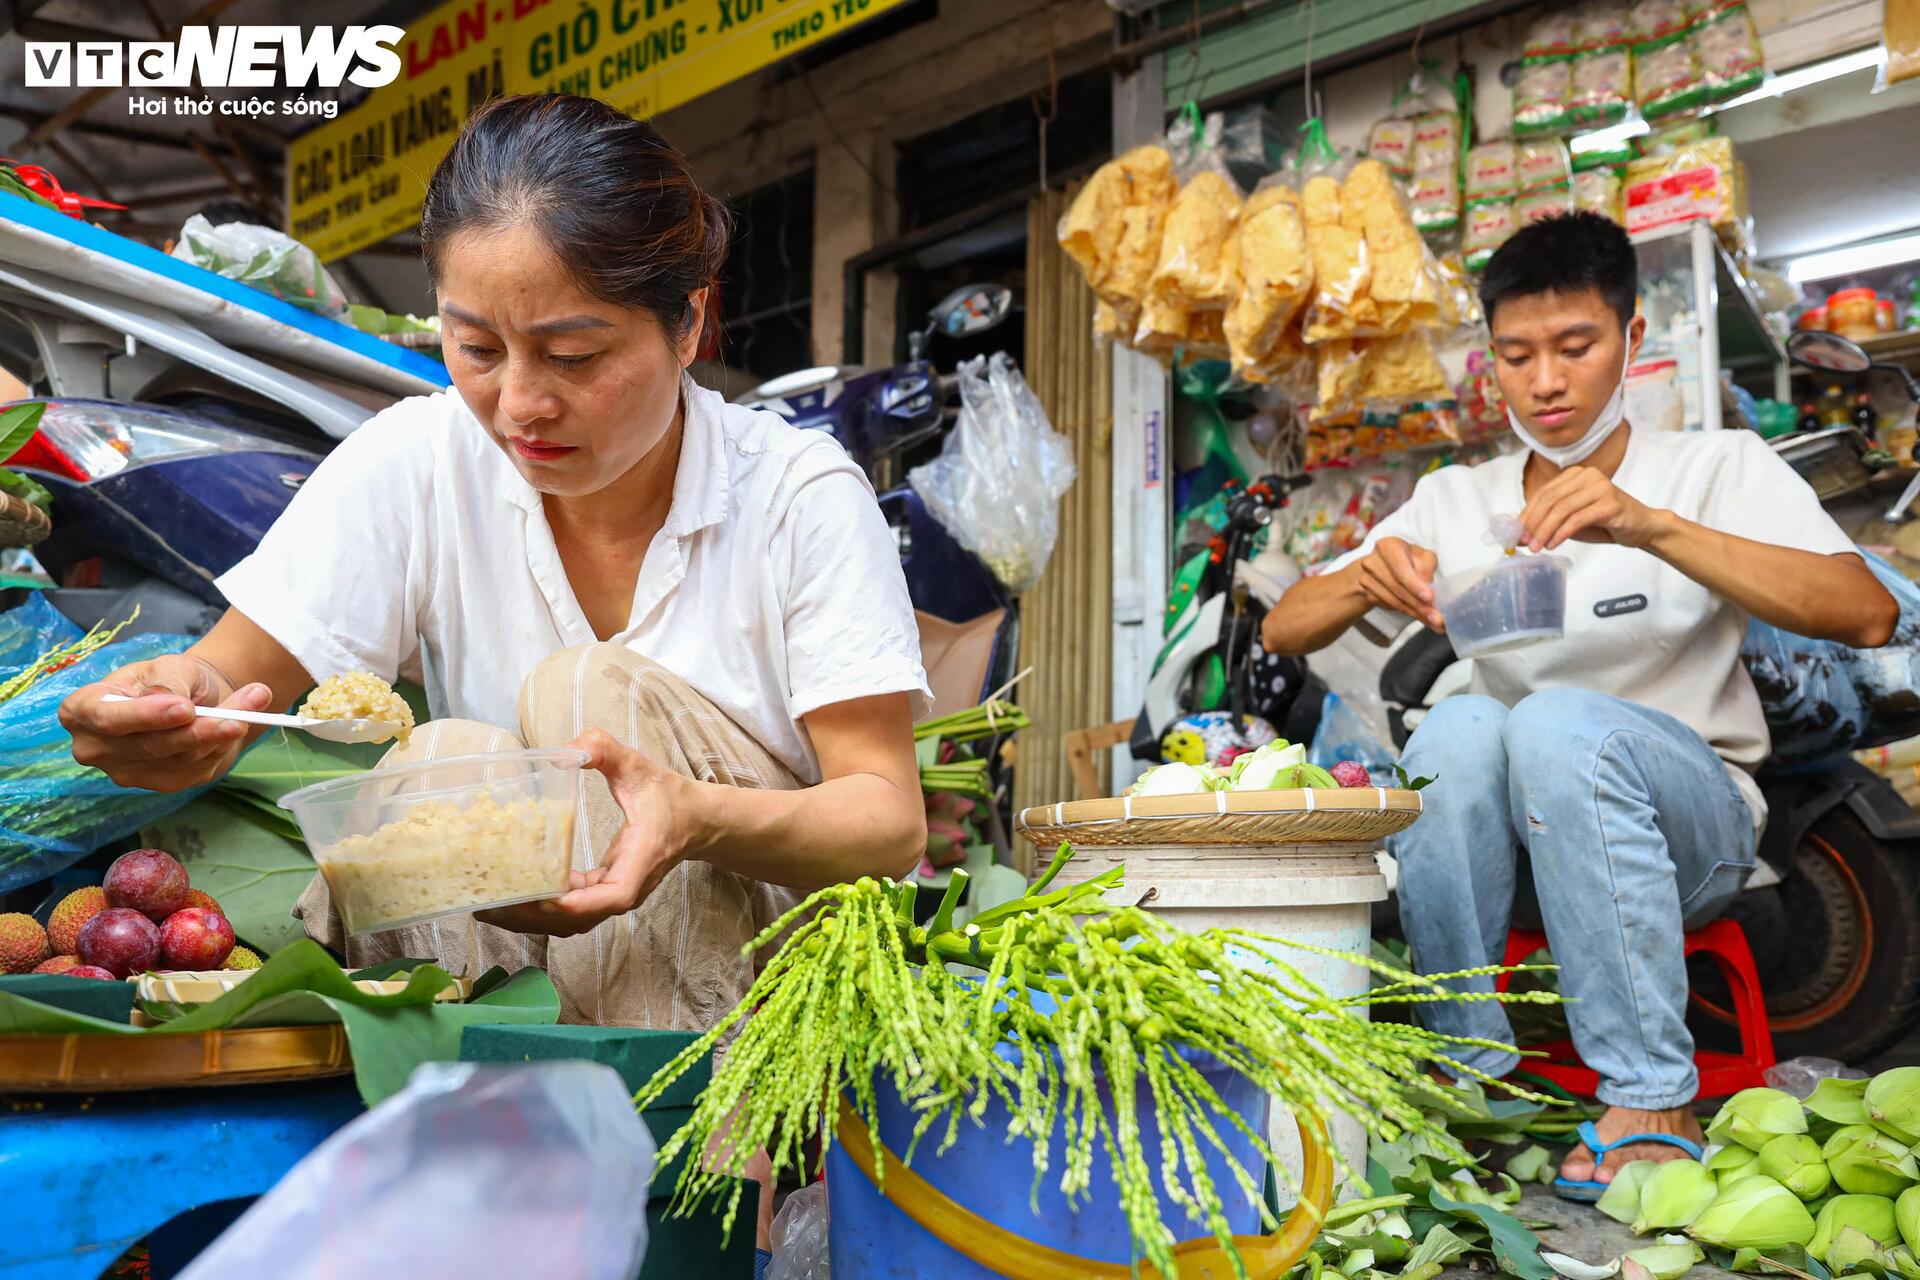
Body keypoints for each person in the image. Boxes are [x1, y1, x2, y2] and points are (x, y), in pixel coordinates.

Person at [60, 94, 931, 1254]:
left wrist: (693, 817)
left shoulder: (796, 496)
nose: (519, 401)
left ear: (687, 324)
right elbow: (227, 671)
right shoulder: (418, 459)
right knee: (446, 757)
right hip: (523, 960)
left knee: (587, 697)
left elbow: (885, 816)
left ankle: (687, 1212)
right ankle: (463, 1208)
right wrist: (163, 701)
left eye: (573, 353)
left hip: (759, 1016)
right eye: (476, 348)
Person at [1262, 212, 1897, 1195]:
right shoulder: (1458, 499)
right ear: (1492, 362)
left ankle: (1651, 1092)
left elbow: (1863, 610)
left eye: (1575, 347)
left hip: (1693, 832)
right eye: (1517, 355)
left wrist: (1650, 524)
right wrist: (1362, 578)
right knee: (1462, 725)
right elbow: (1283, 629)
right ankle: (1465, 1073)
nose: (1546, 382)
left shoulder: (1711, 469)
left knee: (1551, 720)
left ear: (1632, 340)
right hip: (1519, 857)